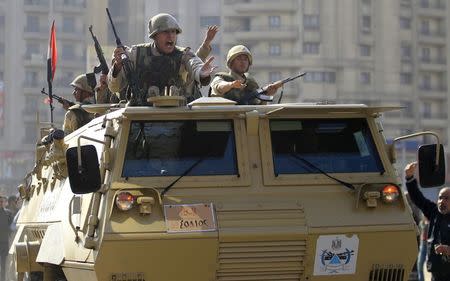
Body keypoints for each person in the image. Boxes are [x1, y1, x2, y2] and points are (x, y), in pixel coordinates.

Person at [108, 13, 215, 103]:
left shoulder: (184, 55)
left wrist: (201, 72)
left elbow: (194, 63)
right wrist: (117, 66)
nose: (171, 36)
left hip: (178, 117)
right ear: (154, 36)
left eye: (173, 32)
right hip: (141, 118)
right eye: (165, 32)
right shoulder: (136, 54)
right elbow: (114, 88)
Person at [404, 162, 450, 281]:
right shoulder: (434, 212)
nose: (442, 201)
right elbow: (418, 198)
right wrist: (409, 178)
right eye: (440, 198)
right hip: (436, 273)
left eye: (446, 198)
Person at [210, 44, 283, 105]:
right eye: (239, 59)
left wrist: (267, 95)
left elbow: (258, 109)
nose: (243, 62)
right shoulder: (222, 78)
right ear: (231, 62)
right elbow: (219, 86)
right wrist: (231, 85)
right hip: (228, 119)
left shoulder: (251, 83)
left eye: (245, 59)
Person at [0, 195, 12, 281]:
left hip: (4, 242)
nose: (1, 203)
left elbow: (11, 227)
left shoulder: (8, 213)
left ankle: (3, 279)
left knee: (3, 264)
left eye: (2, 202)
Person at [417, 214, 429, 281]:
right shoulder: (422, 222)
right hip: (423, 243)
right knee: (420, 264)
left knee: (428, 265)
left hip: (429, 244)